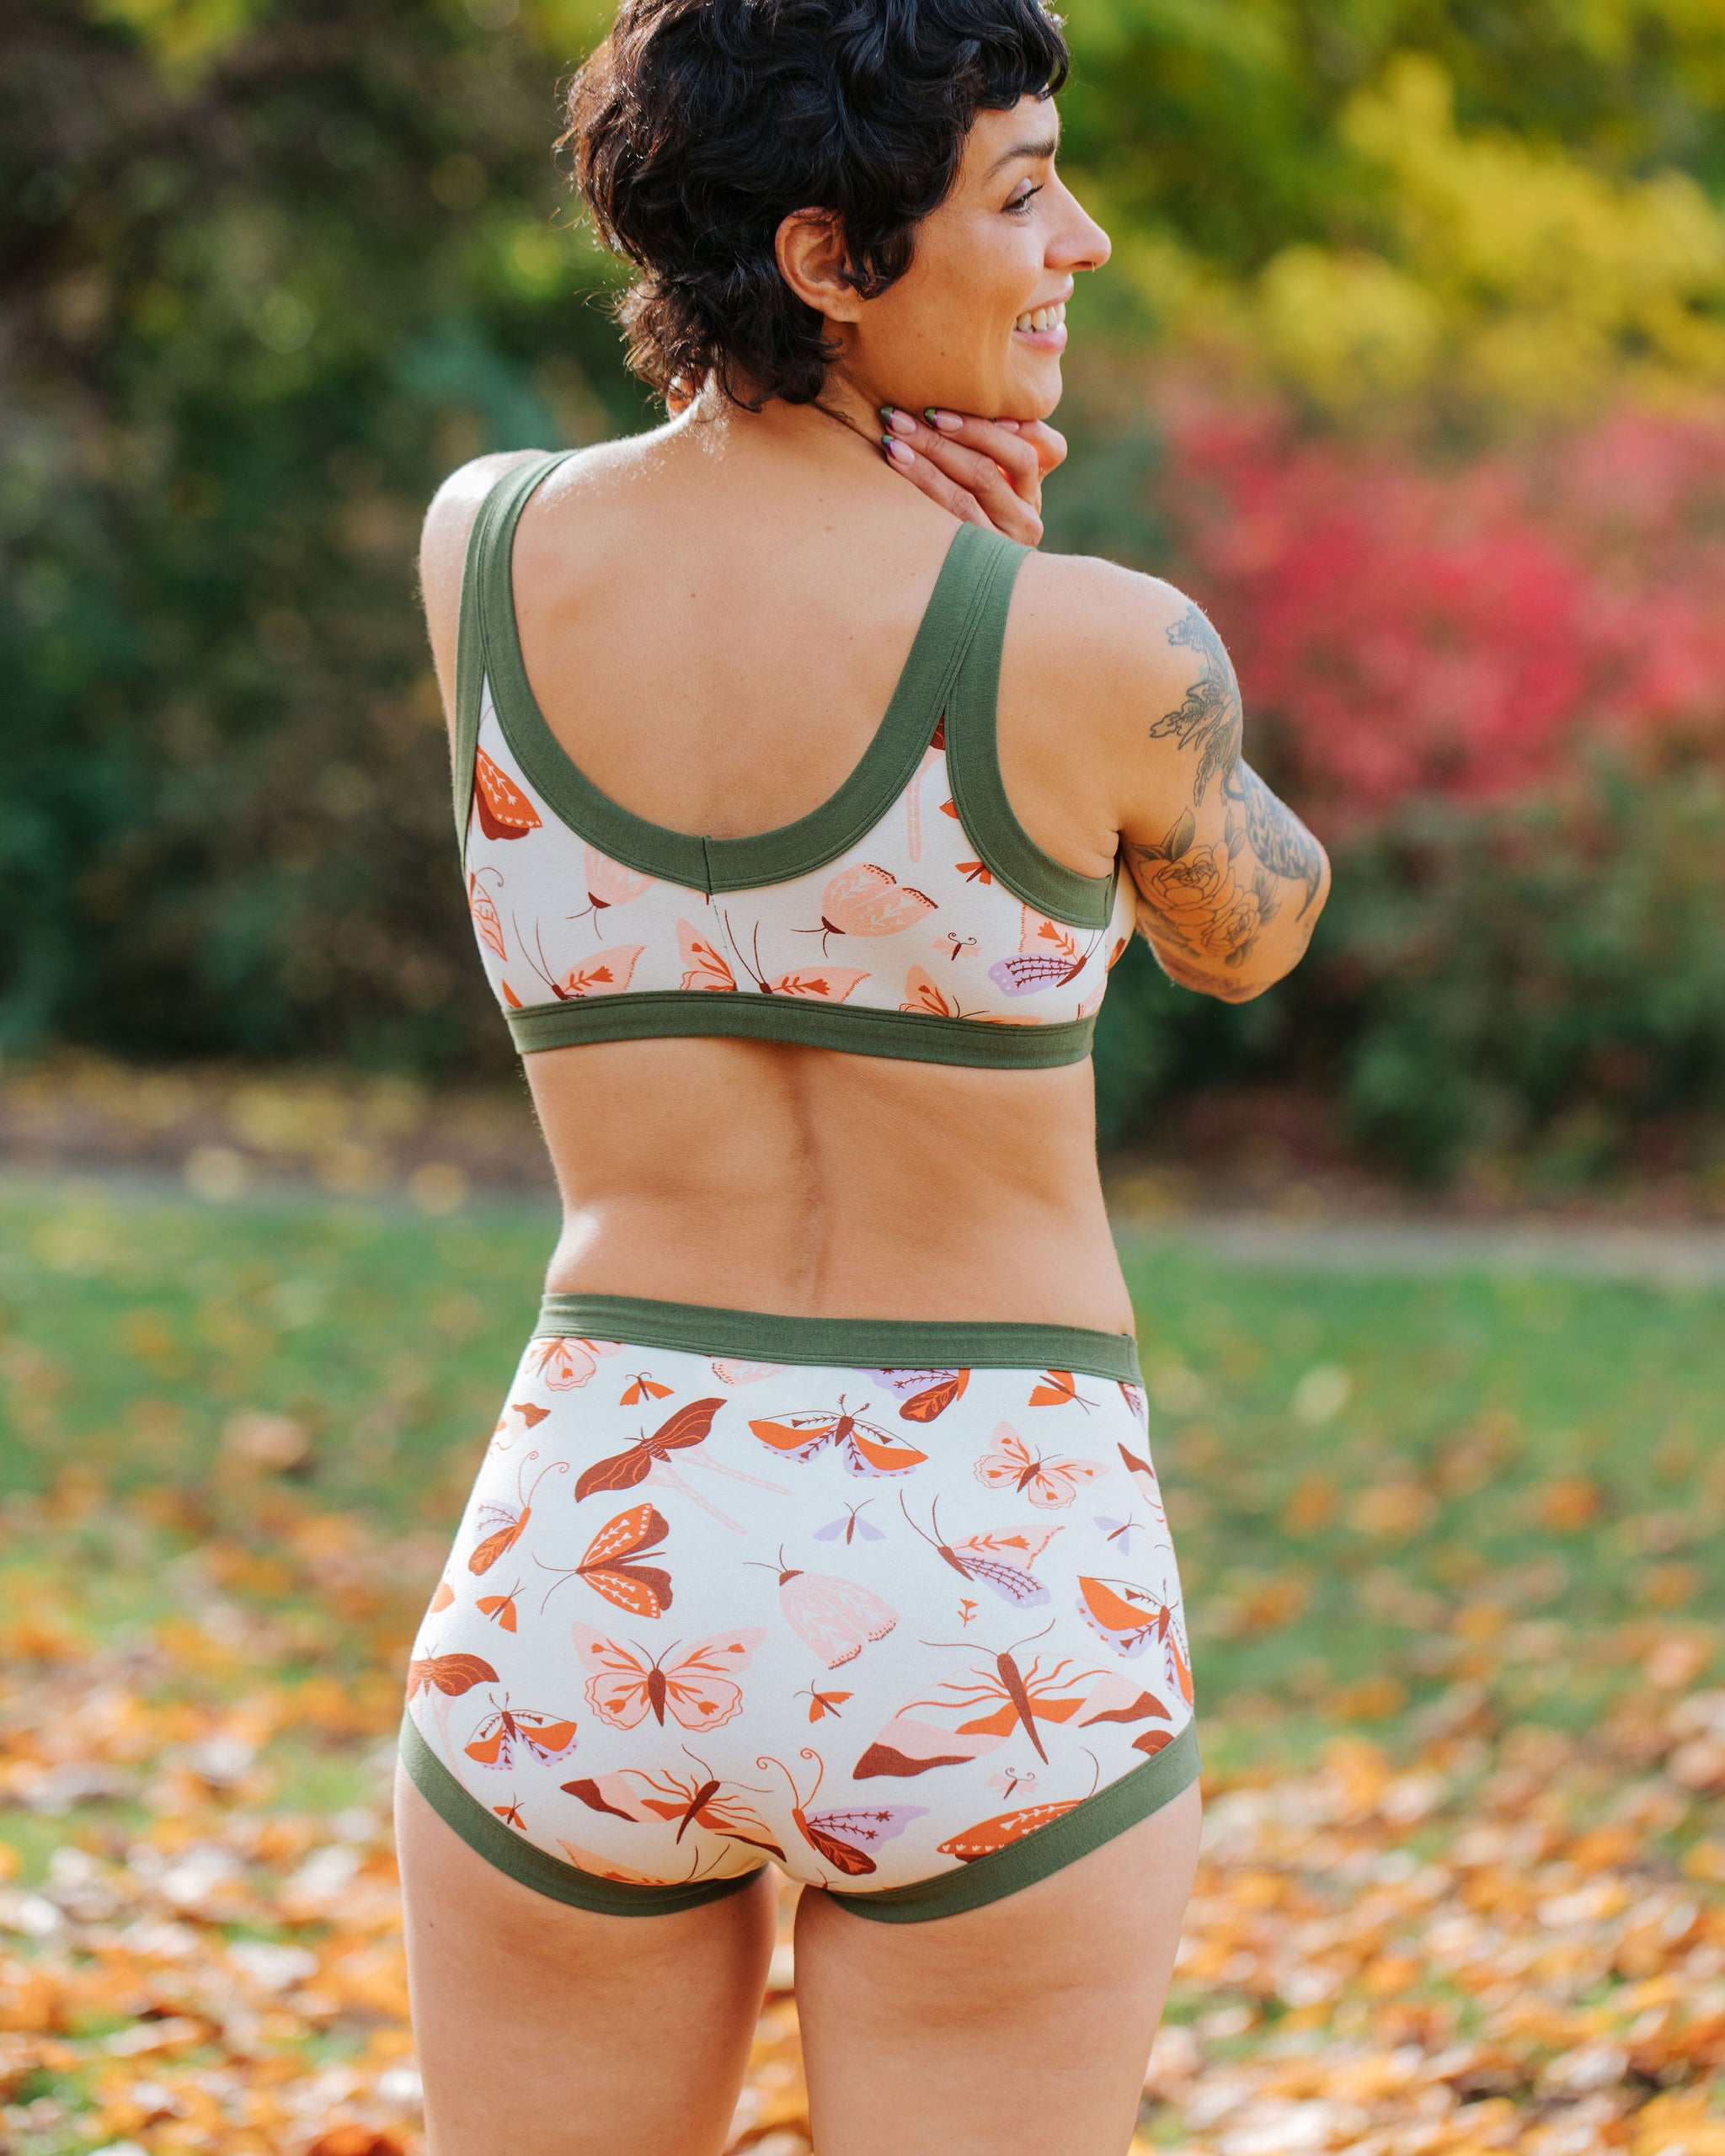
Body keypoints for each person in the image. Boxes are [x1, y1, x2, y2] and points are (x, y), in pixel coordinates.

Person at [399, 0, 1329, 2148]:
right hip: (987, 1562)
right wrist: (998, 589)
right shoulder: (1103, 643)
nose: (1079, 239)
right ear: (827, 256)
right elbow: (1250, 932)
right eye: (1020, 192)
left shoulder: (484, 542)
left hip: (591, 1542)